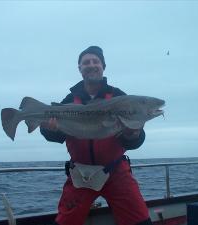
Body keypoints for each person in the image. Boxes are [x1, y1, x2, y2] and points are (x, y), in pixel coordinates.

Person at [40, 46, 153, 225]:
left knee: (140, 221)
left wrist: (133, 133)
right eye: (86, 62)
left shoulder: (119, 97)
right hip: (80, 174)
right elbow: (57, 137)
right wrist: (48, 128)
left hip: (116, 171)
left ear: (103, 66)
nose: (91, 65)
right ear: (79, 68)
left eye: (95, 61)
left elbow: (134, 141)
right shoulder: (69, 101)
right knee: (64, 222)